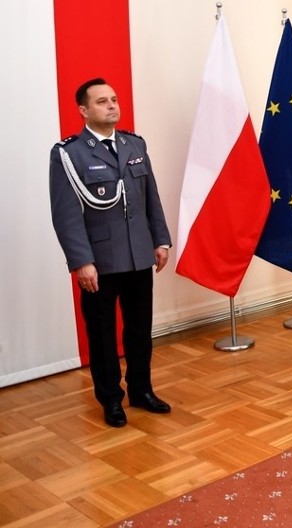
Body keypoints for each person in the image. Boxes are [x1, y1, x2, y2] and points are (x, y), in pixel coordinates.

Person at [49, 78, 172, 428]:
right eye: (102, 102)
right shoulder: (69, 154)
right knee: (102, 335)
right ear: (84, 110)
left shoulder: (134, 144)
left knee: (139, 329)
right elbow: (66, 213)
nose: (112, 106)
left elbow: (151, 197)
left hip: (138, 256)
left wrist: (160, 240)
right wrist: (81, 261)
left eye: (114, 100)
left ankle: (141, 389)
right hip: (99, 263)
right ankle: (110, 399)